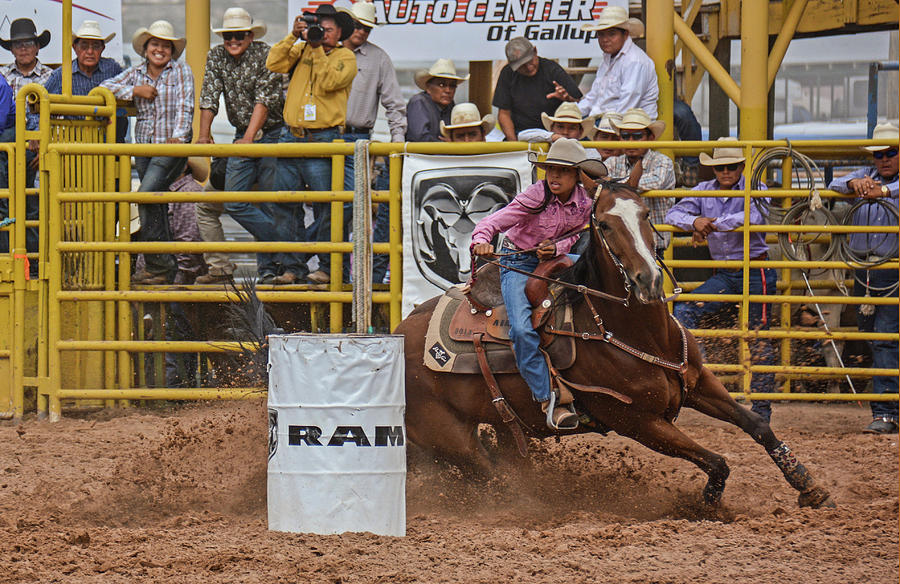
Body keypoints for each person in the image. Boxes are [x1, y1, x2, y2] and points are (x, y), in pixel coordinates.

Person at [471, 138, 608, 430]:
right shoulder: (536, 196)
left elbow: (574, 234)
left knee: (601, 277)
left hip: (552, 259)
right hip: (517, 262)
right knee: (521, 328)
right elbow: (494, 222)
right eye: (550, 169)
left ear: (577, 175)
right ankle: (547, 398)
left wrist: (555, 248)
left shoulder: (584, 203)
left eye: (562, 170)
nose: (554, 176)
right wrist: (481, 240)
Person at [665, 137, 775, 422]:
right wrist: (694, 223)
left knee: (757, 334)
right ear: (713, 170)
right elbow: (674, 212)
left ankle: (762, 409)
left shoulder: (756, 188)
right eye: (720, 168)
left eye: (731, 167)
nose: (725, 172)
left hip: (755, 270)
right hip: (727, 273)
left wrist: (707, 225)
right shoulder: (703, 190)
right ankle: (702, 378)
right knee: (685, 310)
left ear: (740, 167)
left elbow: (753, 216)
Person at [266, 4, 356, 285]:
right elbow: (274, 63)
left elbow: (329, 81)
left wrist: (313, 45)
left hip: (324, 138)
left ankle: (328, 267)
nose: (322, 34)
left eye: (328, 30)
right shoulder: (302, 48)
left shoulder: (347, 57)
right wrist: (293, 36)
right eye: (319, 29)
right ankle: (293, 267)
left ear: (340, 33)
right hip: (291, 134)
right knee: (285, 205)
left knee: (328, 206)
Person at [194, 7, 285, 285]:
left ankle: (272, 269)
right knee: (235, 200)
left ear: (249, 35)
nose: (233, 40)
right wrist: (203, 134)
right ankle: (286, 245)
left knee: (267, 202)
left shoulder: (265, 54)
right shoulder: (216, 56)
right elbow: (209, 94)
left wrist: (248, 137)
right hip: (242, 133)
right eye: (228, 36)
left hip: (272, 133)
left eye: (239, 35)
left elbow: (265, 100)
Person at [102, 20, 194, 285]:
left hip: (169, 146)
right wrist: (134, 91)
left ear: (172, 51)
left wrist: (178, 138)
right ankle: (166, 267)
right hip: (143, 147)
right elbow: (106, 87)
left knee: (145, 196)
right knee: (155, 201)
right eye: (155, 44)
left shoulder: (181, 71)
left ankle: (158, 265)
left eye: (165, 45)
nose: (160, 49)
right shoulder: (136, 73)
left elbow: (186, 106)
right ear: (146, 48)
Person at [828, 122, 899, 434]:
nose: (883, 159)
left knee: (883, 338)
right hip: (865, 269)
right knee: (874, 336)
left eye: (890, 153)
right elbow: (834, 184)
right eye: (879, 154)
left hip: (891, 267)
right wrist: (855, 183)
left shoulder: (885, 186)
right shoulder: (863, 177)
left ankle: (884, 411)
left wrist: (881, 190)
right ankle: (888, 406)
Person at [336, 0, 406, 285]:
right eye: (359, 26)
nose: (362, 32)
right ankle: (336, 275)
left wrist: (397, 146)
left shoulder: (378, 58)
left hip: (356, 139)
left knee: (350, 207)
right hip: (327, 139)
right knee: (330, 208)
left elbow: (394, 105)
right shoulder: (325, 51)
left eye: (367, 28)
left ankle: (348, 279)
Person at [604, 108, 675, 253]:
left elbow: (655, 182)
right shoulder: (612, 162)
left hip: (652, 242)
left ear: (650, 138)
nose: (631, 142)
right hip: (620, 243)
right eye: (625, 136)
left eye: (637, 136)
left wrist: (613, 183)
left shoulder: (663, 162)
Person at [44, 20, 127, 143]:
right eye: (84, 46)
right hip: (75, 140)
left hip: (108, 138)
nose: (89, 52)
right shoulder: (61, 75)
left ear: (102, 49)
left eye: (95, 46)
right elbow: (40, 104)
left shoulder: (112, 68)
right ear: (74, 48)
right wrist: (39, 134)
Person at [492, 37, 582, 141]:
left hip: (554, 135)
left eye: (530, 61)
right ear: (513, 66)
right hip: (520, 134)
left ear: (535, 51)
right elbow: (504, 113)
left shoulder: (552, 69)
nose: (529, 68)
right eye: (522, 66)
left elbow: (579, 103)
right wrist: (514, 144)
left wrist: (567, 99)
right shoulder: (508, 73)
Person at [578, 7, 658, 120]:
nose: (605, 39)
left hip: (630, 125)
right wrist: (573, 114)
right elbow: (593, 96)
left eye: (611, 34)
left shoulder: (634, 61)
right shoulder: (608, 59)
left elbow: (627, 104)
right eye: (601, 34)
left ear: (625, 34)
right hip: (606, 120)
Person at [406, 58, 466, 142]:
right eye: (442, 85)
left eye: (452, 86)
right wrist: (448, 145)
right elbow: (420, 138)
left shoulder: (450, 106)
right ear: (428, 88)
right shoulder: (419, 102)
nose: (448, 90)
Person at [0, 19, 54, 96]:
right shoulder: (2, 75)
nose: (23, 48)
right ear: (12, 49)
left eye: (29, 43)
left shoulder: (51, 77)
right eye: (18, 44)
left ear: (37, 47)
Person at [517, 102, 597, 152]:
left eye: (572, 128)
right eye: (560, 127)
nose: (565, 132)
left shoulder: (589, 152)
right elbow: (522, 135)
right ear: (552, 128)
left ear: (580, 132)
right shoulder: (546, 142)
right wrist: (552, 137)